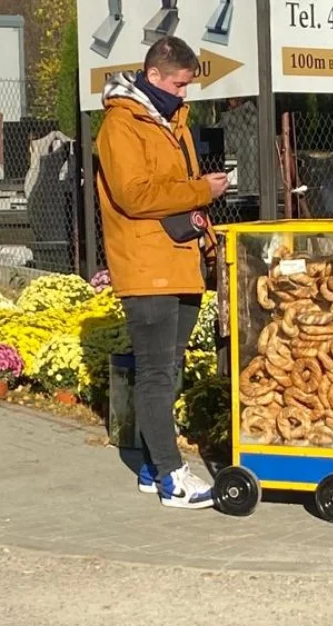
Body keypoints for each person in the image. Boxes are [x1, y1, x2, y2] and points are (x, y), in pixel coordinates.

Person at [96, 37, 230, 509]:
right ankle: (172, 477)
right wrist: (200, 191)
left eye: (188, 86)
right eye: (179, 84)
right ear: (153, 76)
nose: (185, 94)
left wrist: (205, 232)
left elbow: (174, 193)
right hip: (146, 266)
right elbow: (134, 196)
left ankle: (154, 469)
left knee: (167, 373)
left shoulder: (173, 122)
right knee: (156, 374)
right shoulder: (120, 124)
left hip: (180, 262)